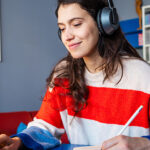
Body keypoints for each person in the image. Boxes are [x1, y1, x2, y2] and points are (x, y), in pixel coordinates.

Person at [0, 0, 150, 149]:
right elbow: (45, 127)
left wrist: (144, 144)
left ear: (104, 23)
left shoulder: (142, 76)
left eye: (76, 24)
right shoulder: (63, 74)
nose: (67, 36)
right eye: (62, 28)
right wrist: (18, 142)